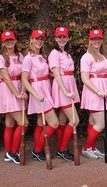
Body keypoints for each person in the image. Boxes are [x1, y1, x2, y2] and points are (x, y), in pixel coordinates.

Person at [22, 29, 59, 161]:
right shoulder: (28, 58)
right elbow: (24, 79)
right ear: (31, 39)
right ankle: (38, 149)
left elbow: (42, 73)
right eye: (36, 38)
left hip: (46, 89)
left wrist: (50, 74)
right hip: (37, 92)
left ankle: (37, 151)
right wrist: (35, 94)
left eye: (41, 39)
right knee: (54, 123)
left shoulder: (42, 56)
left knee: (40, 121)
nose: (39, 41)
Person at [80, 28, 107, 159]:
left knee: (92, 121)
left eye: (98, 39)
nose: (96, 41)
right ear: (89, 41)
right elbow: (85, 78)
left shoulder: (102, 56)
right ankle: (86, 147)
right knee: (100, 124)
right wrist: (98, 91)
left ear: (102, 40)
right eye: (93, 39)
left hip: (104, 92)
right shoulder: (86, 57)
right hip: (94, 93)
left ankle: (92, 147)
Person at [48, 26, 80, 161]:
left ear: (68, 38)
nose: (62, 39)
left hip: (69, 85)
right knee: (75, 120)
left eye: (64, 37)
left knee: (62, 120)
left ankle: (61, 148)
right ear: (55, 38)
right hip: (62, 88)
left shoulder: (66, 53)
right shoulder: (54, 53)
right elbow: (56, 74)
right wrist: (65, 91)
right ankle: (62, 149)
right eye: (59, 37)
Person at [0, 31, 29, 165]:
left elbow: (24, 75)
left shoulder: (20, 56)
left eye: (11, 40)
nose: (9, 42)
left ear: (15, 40)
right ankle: (13, 152)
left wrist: (22, 91)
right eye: (6, 40)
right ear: (3, 43)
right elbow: (5, 77)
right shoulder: (1, 57)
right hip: (8, 91)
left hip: (19, 89)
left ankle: (8, 153)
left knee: (10, 123)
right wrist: (16, 93)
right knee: (24, 123)